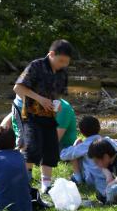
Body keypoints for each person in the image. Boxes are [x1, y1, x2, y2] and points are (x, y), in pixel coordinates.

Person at [13, 39, 74, 193]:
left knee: (51, 151)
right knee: (31, 149)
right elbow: (18, 88)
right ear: (51, 54)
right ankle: (25, 184)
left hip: (50, 117)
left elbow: (59, 95)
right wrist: (39, 99)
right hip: (31, 116)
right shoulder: (36, 66)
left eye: (66, 62)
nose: (63, 65)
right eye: (61, 61)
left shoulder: (62, 73)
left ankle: (46, 186)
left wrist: (58, 104)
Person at [59, 116, 117, 200]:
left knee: (75, 151)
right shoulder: (107, 140)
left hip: (93, 178)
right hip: (111, 173)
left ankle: (77, 177)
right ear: (99, 128)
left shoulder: (85, 146)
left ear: (82, 132)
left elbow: (63, 155)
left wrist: (75, 145)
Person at [2, 97, 77, 150]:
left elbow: (52, 142)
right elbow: (11, 117)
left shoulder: (64, 109)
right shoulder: (39, 102)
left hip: (62, 147)